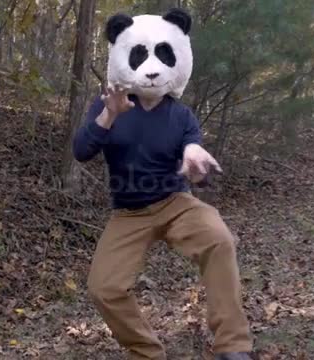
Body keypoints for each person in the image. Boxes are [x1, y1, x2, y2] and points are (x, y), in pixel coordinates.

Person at [72, 85, 253, 360]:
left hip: (175, 202)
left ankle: (232, 345)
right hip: (128, 213)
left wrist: (198, 169)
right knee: (104, 287)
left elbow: (196, 162)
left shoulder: (181, 115)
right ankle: (146, 351)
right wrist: (109, 114)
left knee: (218, 238)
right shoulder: (109, 104)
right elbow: (81, 151)